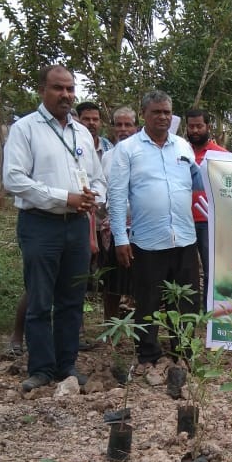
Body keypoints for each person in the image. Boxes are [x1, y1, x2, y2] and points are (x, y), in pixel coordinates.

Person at [3, 65, 106, 392]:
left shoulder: (81, 133)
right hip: (40, 225)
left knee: (72, 298)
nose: (66, 95)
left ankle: (67, 365)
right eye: (58, 88)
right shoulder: (25, 129)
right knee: (40, 298)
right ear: (42, 90)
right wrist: (66, 197)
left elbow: (99, 178)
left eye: (70, 89)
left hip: (76, 226)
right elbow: (14, 179)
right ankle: (41, 368)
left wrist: (93, 196)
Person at [107, 91, 201, 365]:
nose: (162, 117)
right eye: (157, 112)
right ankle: (148, 356)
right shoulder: (127, 150)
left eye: (167, 112)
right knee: (147, 300)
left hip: (184, 237)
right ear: (144, 114)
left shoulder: (183, 146)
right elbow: (116, 196)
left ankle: (183, 351)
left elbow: (198, 183)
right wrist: (120, 239)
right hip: (147, 242)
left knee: (185, 300)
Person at [97, 106, 139, 321]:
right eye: (119, 125)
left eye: (128, 125)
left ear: (136, 127)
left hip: (141, 225)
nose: (123, 129)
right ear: (112, 128)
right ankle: (109, 324)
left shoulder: (144, 152)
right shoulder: (108, 157)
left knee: (141, 280)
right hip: (114, 226)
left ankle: (143, 326)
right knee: (113, 280)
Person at [185, 108, 227, 305]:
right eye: (191, 126)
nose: (195, 130)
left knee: (212, 268)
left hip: (210, 221)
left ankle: (210, 311)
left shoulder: (221, 155)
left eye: (199, 126)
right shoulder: (180, 151)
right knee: (187, 270)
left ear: (207, 126)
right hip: (182, 220)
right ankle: (189, 310)